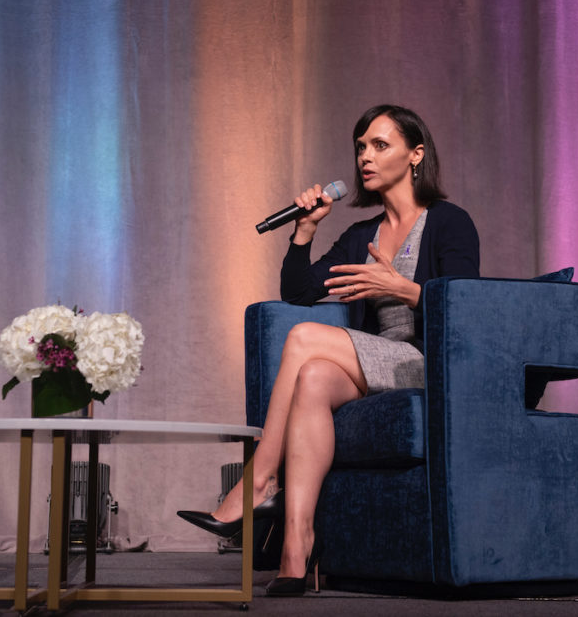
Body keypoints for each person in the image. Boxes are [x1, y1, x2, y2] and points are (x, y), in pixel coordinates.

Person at [178, 104, 479, 596]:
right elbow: (299, 294)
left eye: (380, 145)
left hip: (430, 364)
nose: (365, 155)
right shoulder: (363, 235)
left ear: (415, 154)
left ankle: (258, 482)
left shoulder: (449, 223)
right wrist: (306, 230)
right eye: (361, 146)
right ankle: (297, 547)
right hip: (378, 361)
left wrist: (403, 287)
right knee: (314, 374)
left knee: (304, 341)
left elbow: (467, 314)